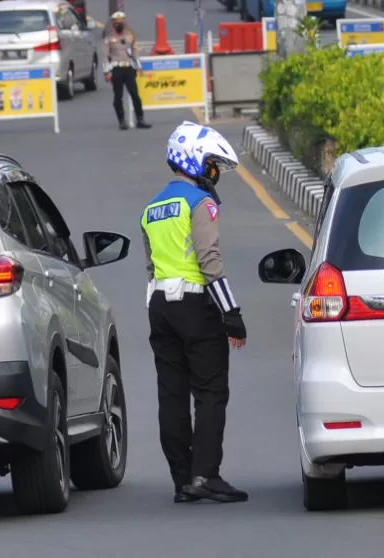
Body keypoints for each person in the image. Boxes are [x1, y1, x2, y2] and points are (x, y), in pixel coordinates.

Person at [141, 122, 247, 504]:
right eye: (212, 164)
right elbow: (209, 262)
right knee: (210, 391)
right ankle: (206, 475)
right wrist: (231, 314)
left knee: (171, 394)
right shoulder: (201, 203)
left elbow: (152, 266)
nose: (215, 173)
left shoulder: (152, 207)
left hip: (159, 307)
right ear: (195, 160)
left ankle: (182, 480)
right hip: (196, 307)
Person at [103, 10, 150, 130]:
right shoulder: (109, 38)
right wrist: (107, 72)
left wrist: (139, 67)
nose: (119, 24)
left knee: (135, 94)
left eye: (121, 21)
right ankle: (122, 121)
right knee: (118, 96)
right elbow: (105, 56)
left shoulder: (130, 36)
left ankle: (140, 119)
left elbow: (135, 52)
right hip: (116, 69)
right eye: (117, 22)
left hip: (129, 68)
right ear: (113, 24)